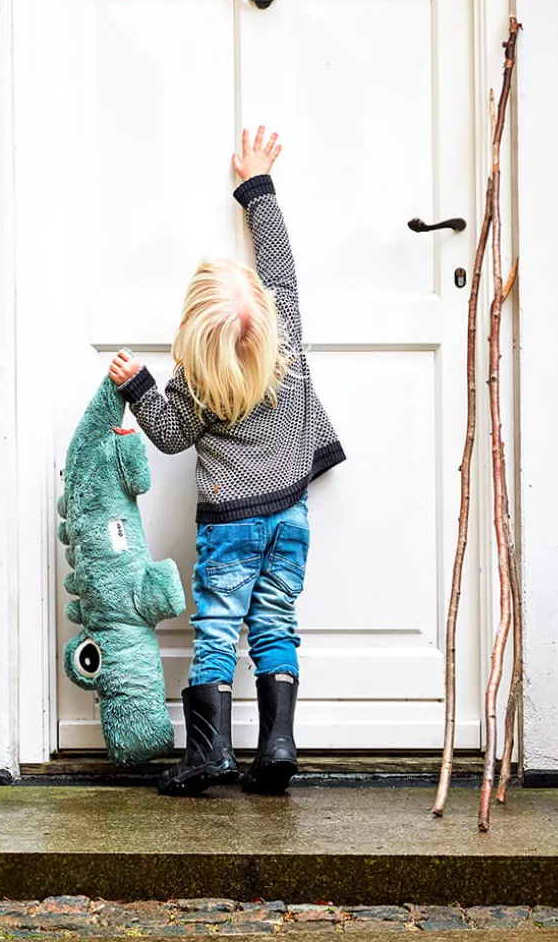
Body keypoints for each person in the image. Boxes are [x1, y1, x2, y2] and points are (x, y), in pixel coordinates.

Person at [108, 126, 345, 797]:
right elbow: (279, 263)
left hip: (229, 525)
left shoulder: (198, 384)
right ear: (266, 317)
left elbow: (168, 435)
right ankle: (278, 744)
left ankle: (209, 754)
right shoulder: (287, 339)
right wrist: (257, 186)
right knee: (274, 621)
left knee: (216, 626)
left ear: (193, 336)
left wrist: (138, 385)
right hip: (290, 514)